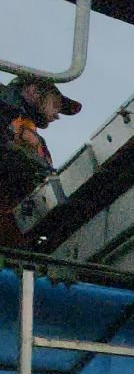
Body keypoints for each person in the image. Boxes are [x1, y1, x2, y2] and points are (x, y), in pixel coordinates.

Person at [0, 75, 81, 248]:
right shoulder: (4, 110)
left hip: (14, 236)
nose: (57, 116)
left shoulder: (39, 143)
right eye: (55, 105)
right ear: (33, 91)